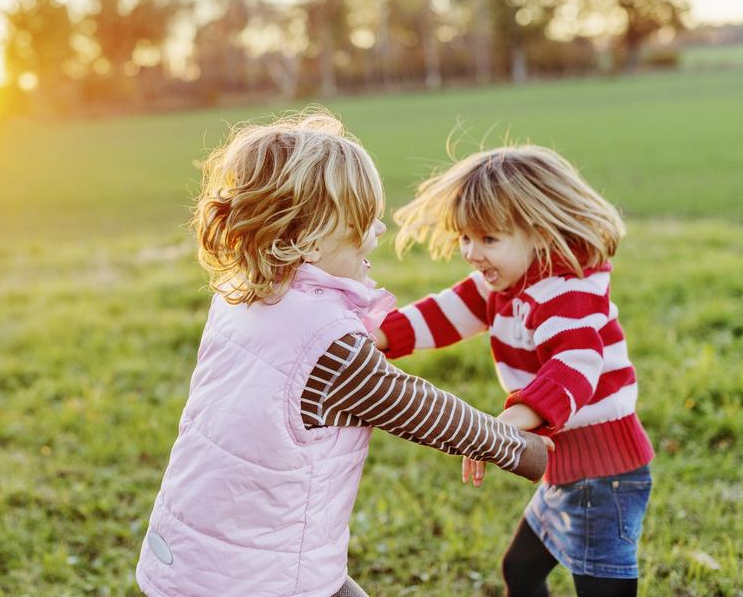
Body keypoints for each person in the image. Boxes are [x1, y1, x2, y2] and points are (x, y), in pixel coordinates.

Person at [135, 112, 549, 597]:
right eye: (361, 221)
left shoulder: (238, 296)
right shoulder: (327, 345)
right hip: (263, 580)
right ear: (307, 239)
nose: (376, 231)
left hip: (192, 556)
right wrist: (519, 448)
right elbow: (419, 408)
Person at [374, 145, 654, 597]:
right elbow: (445, 313)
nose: (470, 252)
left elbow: (575, 365)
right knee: (520, 572)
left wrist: (504, 427)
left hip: (605, 477)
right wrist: (376, 338)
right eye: (466, 237)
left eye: (488, 240)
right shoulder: (506, 282)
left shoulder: (569, 291)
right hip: (565, 468)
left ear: (539, 234)